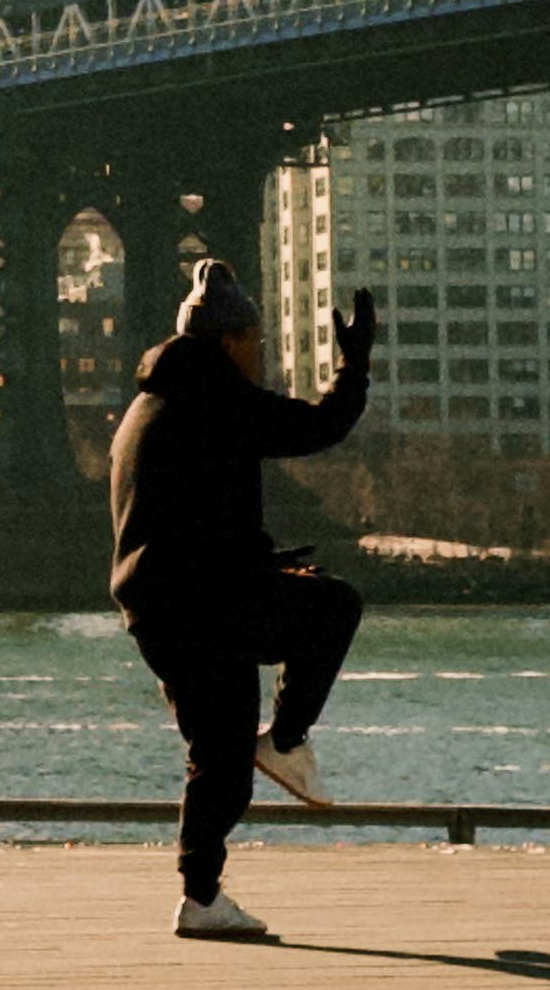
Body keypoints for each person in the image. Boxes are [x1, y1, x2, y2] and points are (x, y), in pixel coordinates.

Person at [110, 257, 377, 942]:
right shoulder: (212, 394)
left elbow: (183, 516)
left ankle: (201, 899)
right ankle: (286, 742)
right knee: (333, 607)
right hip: (208, 604)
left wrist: (257, 563)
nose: (259, 352)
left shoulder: (145, 406)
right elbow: (317, 427)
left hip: (160, 609)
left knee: (219, 755)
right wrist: (354, 366)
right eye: (255, 339)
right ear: (228, 340)